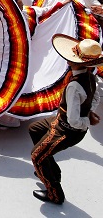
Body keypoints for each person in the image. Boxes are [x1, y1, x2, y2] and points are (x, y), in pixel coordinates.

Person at [29, 35, 102, 205]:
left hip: (67, 130)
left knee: (36, 156)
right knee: (34, 128)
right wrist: (89, 111)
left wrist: (87, 121)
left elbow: (74, 121)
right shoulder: (92, 78)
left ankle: (55, 194)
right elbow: (95, 98)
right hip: (60, 122)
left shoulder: (74, 86)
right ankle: (47, 168)